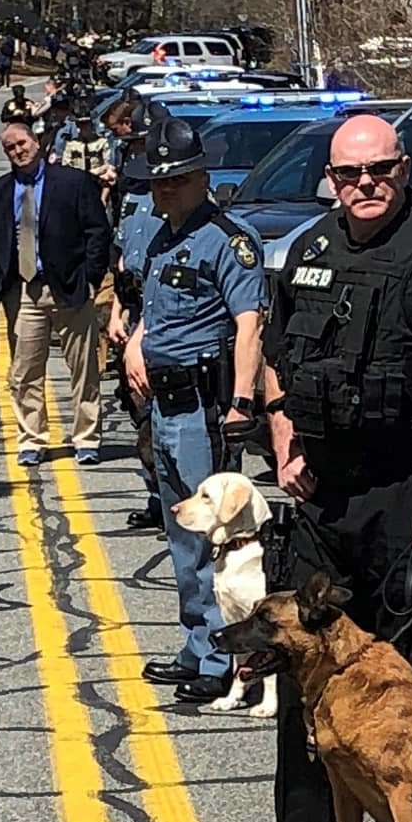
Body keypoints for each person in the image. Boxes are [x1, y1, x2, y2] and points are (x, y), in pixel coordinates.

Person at [226, 114, 412, 822]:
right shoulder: (308, 248)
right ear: (331, 180)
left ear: (402, 169)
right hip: (322, 488)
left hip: (408, 486)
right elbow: (277, 354)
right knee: (300, 658)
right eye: (349, 174)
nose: (366, 185)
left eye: (380, 170)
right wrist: (283, 437)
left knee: (399, 676)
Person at [122, 117, 267, 701]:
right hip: (162, 402)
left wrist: (240, 401)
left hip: (204, 407)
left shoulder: (228, 240)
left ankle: (222, 664)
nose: (165, 190)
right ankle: (198, 645)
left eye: (177, 181)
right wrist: (134, 341)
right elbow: (153, 309)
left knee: (214, 539)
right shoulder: (162, 235)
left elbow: (249, 324)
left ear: (202, 176)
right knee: (181, 531)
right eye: (158, 182)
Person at [0, 121, 110, 468]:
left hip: (70, 288)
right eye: (10, 147)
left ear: (36, 142)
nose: (18, 151)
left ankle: (86, 439)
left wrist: (91, 278)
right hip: (23, 292)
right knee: (24, 372)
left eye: (22, 143)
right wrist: (1, 285)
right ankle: (32, 440)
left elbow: (98, 231)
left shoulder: (73, 183)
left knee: (83, 368)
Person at [107, 99, 169, 531]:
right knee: (139, 413)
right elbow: (123, 259)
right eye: (134, 145)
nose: (136, 152)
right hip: (132, 311)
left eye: (144, 143)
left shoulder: (177, 196)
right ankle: (155, 496)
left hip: (165, 315)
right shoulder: (132, 192)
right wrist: (115, 311)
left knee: (169, 420)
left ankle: (179, 501)